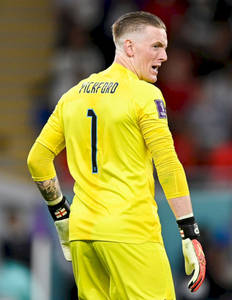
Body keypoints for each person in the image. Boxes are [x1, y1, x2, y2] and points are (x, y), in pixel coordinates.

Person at [27, 11, 205, 300]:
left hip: (83, 235)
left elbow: (37, 159)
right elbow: (168, 165)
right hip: (131, 233)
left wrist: (61, 215)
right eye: (157, 46)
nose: (165, 56)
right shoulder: (144, 95)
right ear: (130, 47)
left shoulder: (73, 95)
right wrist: (189, 231)